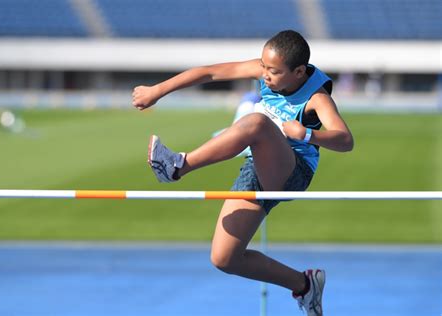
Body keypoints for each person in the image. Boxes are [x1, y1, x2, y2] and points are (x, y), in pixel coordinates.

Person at [132, 30, 354, 316]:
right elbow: (209, 73)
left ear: (298, 72)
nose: (264, 76)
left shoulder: (317, 98)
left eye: (273, 71)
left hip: (293, 171)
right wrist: (156, 91)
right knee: (225, 258)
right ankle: (304, 285)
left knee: (257, 123)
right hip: (259, 164)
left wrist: (309, 134)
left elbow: (345, 140)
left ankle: (177, 166)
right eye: (263, 67)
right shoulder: (265, 70)